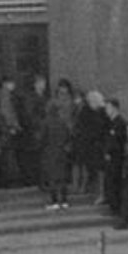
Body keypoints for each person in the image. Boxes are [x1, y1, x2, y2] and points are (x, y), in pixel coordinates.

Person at [40, 79, 76, 210]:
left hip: (50, 152)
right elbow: (68, 135)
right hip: (62, 152)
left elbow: (42, 138)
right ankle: (64, 200)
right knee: (62, 178)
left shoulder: (46, 122)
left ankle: (55, 201)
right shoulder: (62, 123)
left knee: (52, 178)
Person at [72, 89, 106, 197]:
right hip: (85, 141)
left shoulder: (99, 112)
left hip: (93, 142)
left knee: (91, 167)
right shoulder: (85, 111)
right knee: (83, 165)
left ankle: (91, 188)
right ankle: (81, 187)